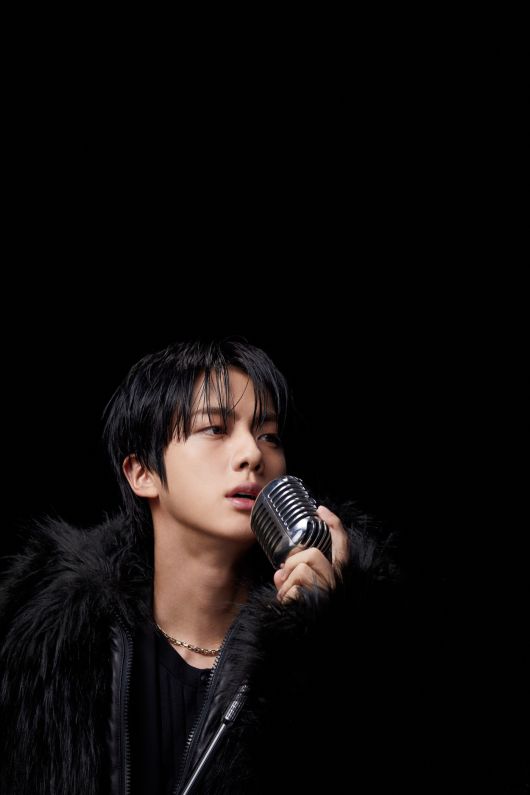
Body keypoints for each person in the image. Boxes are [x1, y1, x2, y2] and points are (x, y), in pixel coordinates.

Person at [0, 337, 406, 795]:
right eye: (215, 428)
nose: (253, 454)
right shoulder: (49, 650)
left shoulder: (350, 644)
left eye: (268, 435)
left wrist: (323, 637)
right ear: (141, 472)